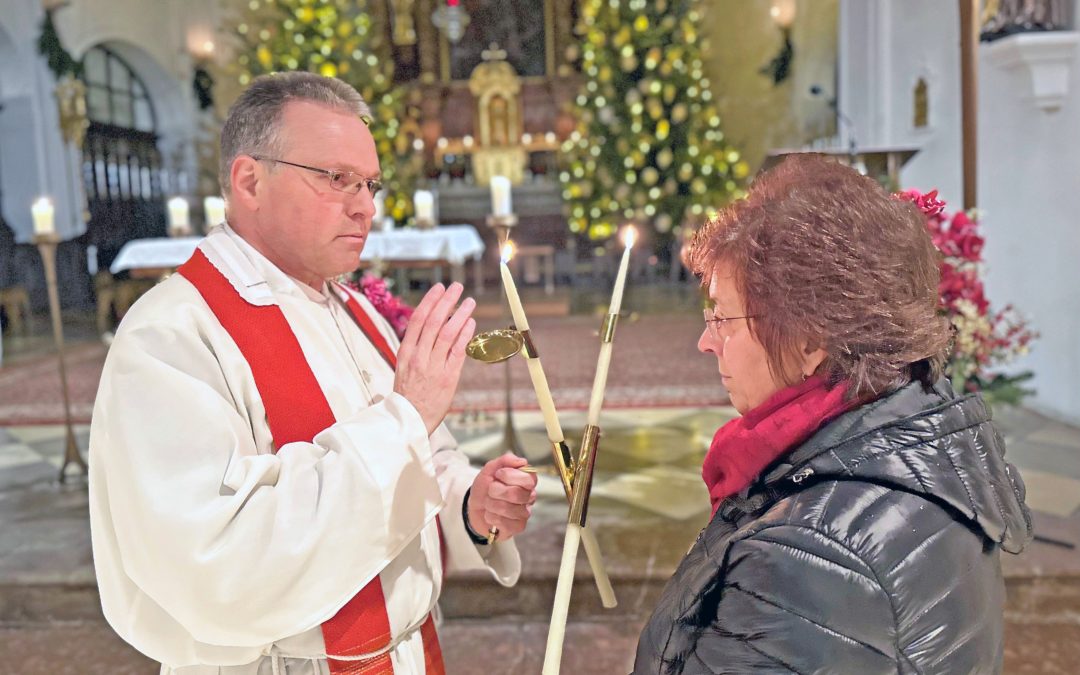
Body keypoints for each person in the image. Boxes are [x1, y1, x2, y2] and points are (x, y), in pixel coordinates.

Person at [89, 71, 538, 675]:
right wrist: (405, 416)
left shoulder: (352, 308)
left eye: (371, 184)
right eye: (337, 179)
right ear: (250, 180)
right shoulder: (172, 334)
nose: (366, 205)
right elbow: (218, 563)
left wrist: (468, 507)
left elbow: (425, 459)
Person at [634, 154, 1032, 674]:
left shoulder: (806, 557)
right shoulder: (917, 434)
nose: (707, 341)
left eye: (725, 318)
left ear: (812, 337)